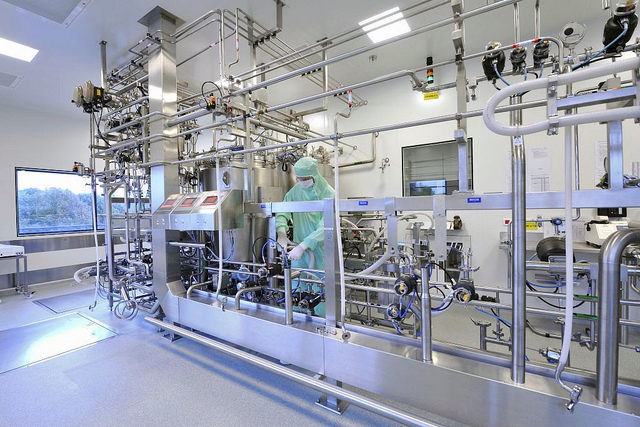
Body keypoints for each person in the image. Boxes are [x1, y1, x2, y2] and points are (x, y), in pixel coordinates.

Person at [275, 157, 334, 308]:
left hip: (320, 253)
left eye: (305, 179)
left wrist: (304, 245)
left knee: (320, 295)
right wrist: (281, 233)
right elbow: (282, 212)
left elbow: (326, 226)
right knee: (298, 290)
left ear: (314, 175)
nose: (302, 182)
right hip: (298, 254)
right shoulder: (295, 192)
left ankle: (320, 321)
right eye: (299, 179)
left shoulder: (329, 193)